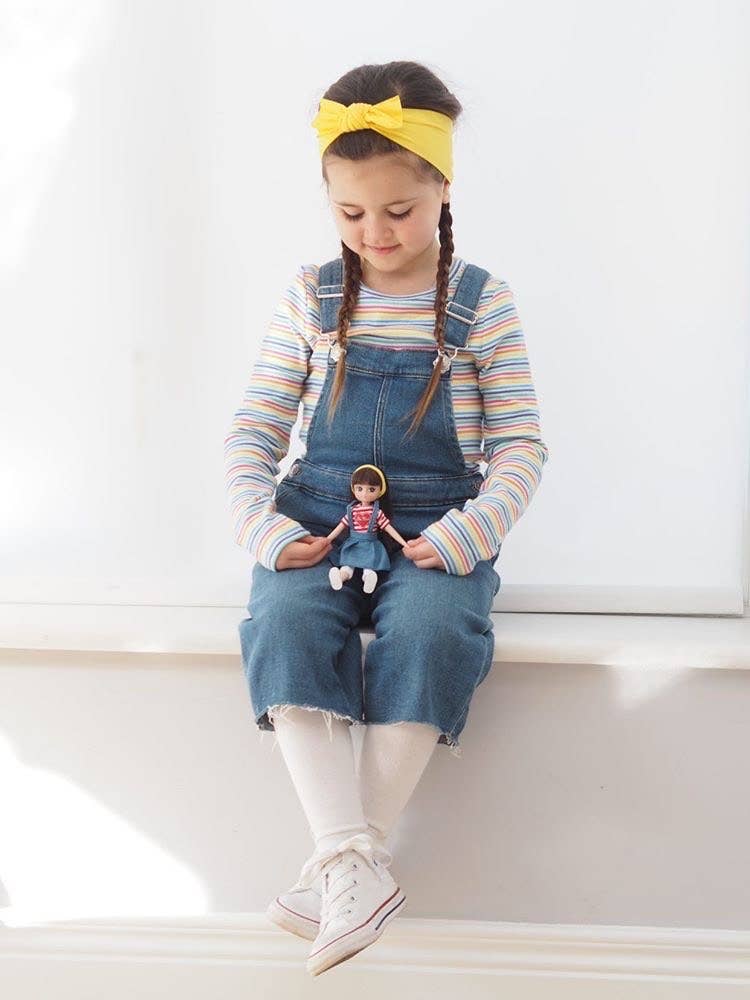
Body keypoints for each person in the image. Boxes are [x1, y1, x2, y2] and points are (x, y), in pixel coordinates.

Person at [223, 60, 550, 976]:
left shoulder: (481, 303)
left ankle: (339, 869)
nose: (375, 232)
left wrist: (464, 535)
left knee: (437, 631)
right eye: (350, 212)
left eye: (400, 210)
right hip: (319, 519)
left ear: (443, 188)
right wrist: (267, 531)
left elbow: (522, 447)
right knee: (284, 622)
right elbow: (254, 430)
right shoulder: (313, 296)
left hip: (438, 525)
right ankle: (354, 862)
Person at [326, 464, 407, 593]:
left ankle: (369, 578)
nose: (364, 494)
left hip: (370, 544)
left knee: (368, 568)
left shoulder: (377, 513)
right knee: (347, 566)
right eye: (359, 488)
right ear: (353, 489)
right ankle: (340, 577)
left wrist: (404, 544)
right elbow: (340, 526)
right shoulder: (352, 511)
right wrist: (326, 540)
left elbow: (389, 529)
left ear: (380, 491)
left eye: (371, 489)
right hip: (353, 543)